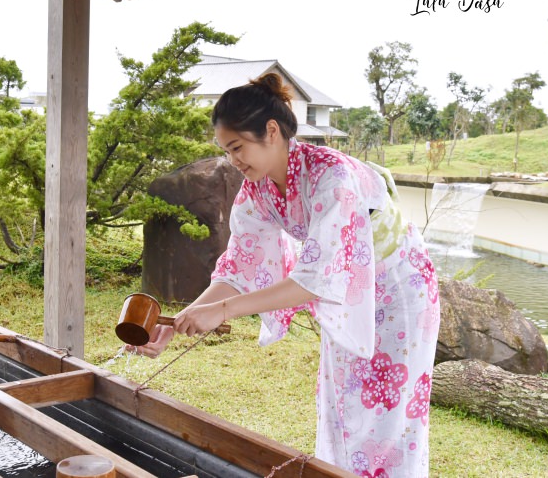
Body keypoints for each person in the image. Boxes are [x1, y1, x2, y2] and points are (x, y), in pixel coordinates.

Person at [136, 73, 440, 477]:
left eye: (238, 147)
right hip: (348, 291)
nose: (233, 160)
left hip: (398, 290)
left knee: (387, 415)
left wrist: (223, 311)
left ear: (272, 131)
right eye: (227, 151)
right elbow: (239, 267)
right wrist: (177, 324)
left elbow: (314, 281)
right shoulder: (258, 189)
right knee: (344, 402)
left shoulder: (331, 176)